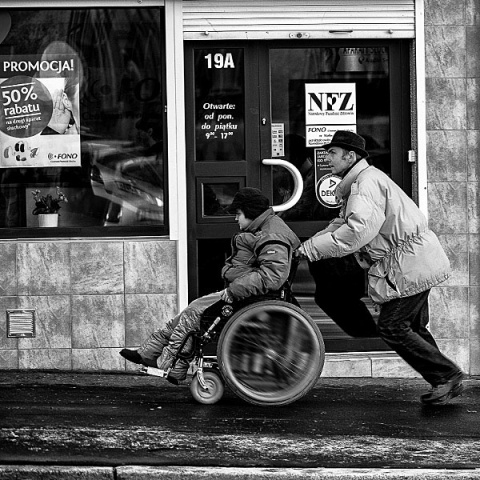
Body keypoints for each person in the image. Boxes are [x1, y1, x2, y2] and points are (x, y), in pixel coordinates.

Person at [296, 130, 464, 406]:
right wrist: (308, 245)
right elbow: (341, 225)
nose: (327, 158)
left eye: (333, 153)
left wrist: (309, 250)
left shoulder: (365, 184)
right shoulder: (360, 182)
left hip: (410, 263)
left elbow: (357, 231)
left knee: (392, 326)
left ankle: (447, 376)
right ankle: (444, 379)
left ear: (350, 156)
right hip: (415, 260)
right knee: (412, 327)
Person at [120, 187, 301, 382]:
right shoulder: (265, 228)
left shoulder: (272, 234)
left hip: (250, 297)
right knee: (192, 310)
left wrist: (234, 290)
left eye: (238, 214)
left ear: (251, 212)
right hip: (246, 292)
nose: (235, 219)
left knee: (196, 313)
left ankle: (171, 363)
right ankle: (148, 353)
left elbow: (272, 276)